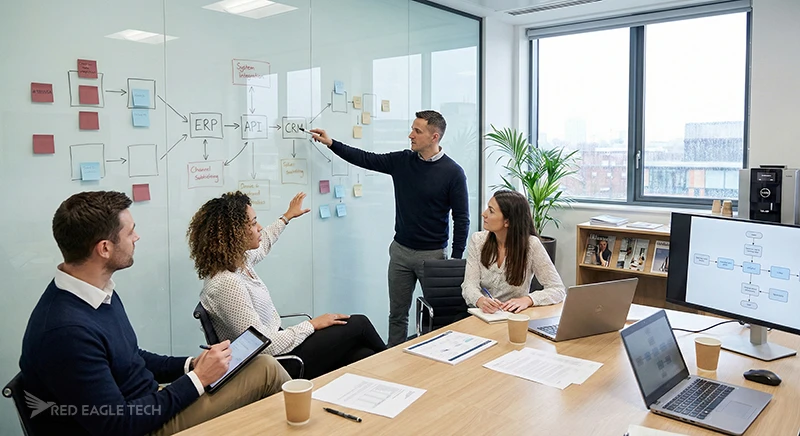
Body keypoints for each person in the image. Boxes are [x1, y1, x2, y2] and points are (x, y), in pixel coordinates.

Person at [19, 191, 290, 436]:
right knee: (265, 371)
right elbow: (117, 424)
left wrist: (192, 365)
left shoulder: (96, 293)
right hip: (141, 426)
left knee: (258, 366)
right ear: (104, 248)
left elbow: (132, 357)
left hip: (149, 403)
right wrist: (198, 379)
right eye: (130, 232)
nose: (137, 237)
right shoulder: (65, 332)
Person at [310, 109, 470, 347]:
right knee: (397, 316)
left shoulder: (453, 173)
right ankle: (392, 363)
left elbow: (462, 218)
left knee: (440, 318)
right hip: (400, 254)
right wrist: (332, 143)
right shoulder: (403, 161)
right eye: (412, 129)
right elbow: (365, 158)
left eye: (417, 131)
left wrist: (454, 262)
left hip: (434, 258)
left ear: (434, 137)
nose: (410, 135)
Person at [189, 191, 386, 379]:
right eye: (254, 223)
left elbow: (265, 240)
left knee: (362, 354)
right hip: (276, 364)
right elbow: (263, 345)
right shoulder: (226, 284)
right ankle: (398, 365)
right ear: (235, 233)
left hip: (281, 347)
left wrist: (287, 216)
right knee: (359, 324)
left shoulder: (239, 262)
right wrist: (311, 325)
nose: (259, 228)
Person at [462, 190, 565, 314]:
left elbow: (558, 289)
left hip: (514, 316)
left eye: (491, 211)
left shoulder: (531, 245)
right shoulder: (478, 240)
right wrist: (480, 300)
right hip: (482, 314)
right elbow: (469, 285)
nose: (484, 214)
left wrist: (528, 299)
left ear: (507, 221)